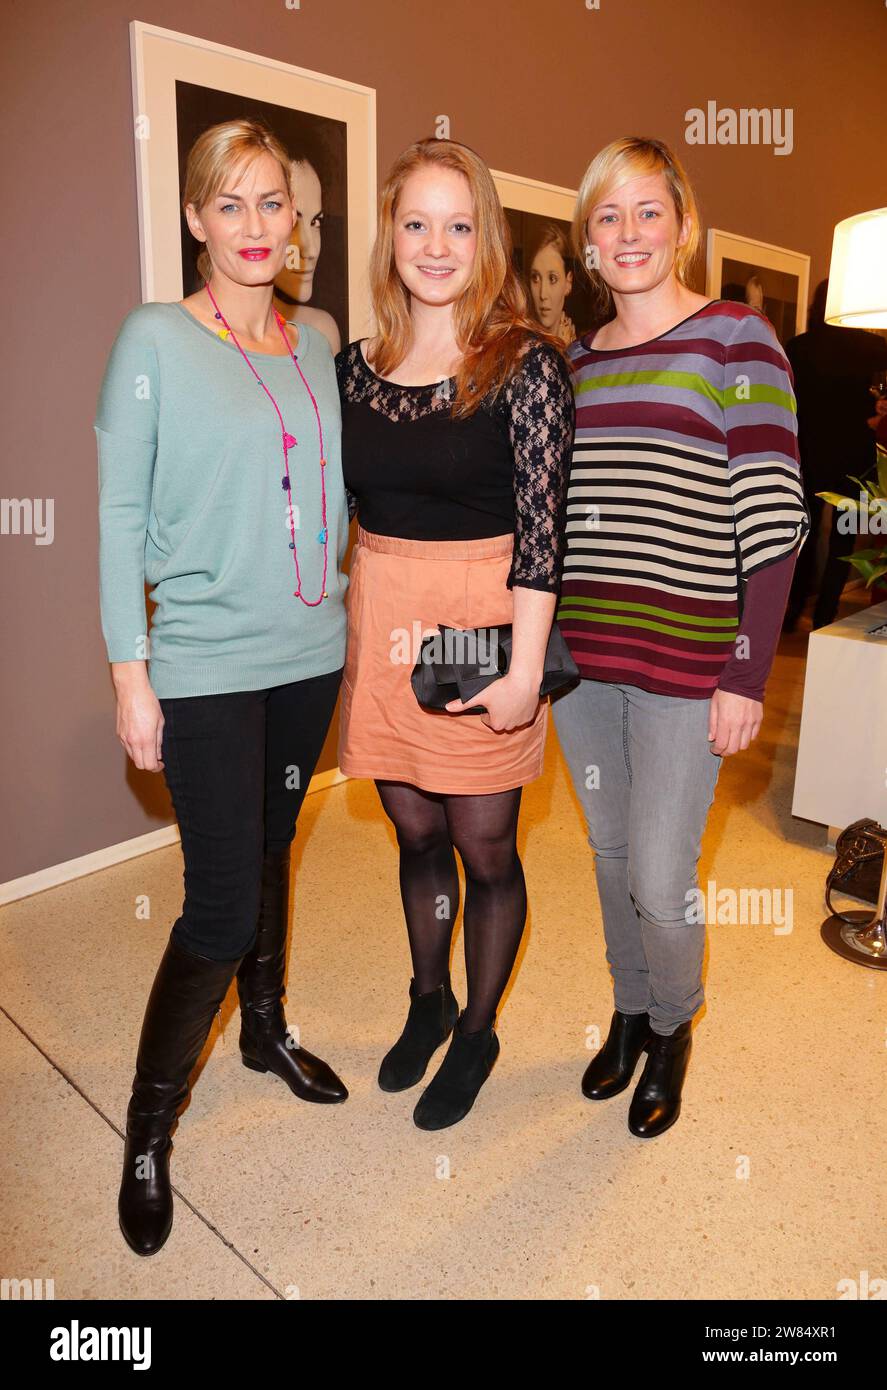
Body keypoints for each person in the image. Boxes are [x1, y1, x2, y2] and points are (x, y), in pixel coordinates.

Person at [95, 118, 351, 1257]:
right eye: (230, 204)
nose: (255, 226)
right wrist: (129, 676)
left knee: (271, 848)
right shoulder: (153, 339)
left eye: (273, 204)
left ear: (297, 222)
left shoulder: (321, 339)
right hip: (199, 663)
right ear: (196, 219)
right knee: (218, 905)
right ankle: (148, 1130)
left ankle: (264, 1030)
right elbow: (111, 517)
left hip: (309, 655)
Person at [551, 136, 809, 1138]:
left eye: (645, 211)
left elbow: (773, 515)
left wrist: (745, 672)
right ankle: (624, 1010)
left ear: (681, 224)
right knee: (609, 852)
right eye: (606, 216)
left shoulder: (735, 339)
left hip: (685, 666)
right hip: (585, 668)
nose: (626, 234)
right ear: (586, 241)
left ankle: (670, 1026)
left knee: (660, 874)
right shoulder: (571, 362)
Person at [335, 137, 574, 1130]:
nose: (435, 245)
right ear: (389, 235)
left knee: (483, 844)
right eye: (415, 223)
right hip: (384, 616)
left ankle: (477, 1027)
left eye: (458, 224)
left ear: (487, 239)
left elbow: (542, 531)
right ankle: (425, 996)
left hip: (483, 626)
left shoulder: (523, 366)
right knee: (414, 826)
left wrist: (523, 671)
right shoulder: (353, 368)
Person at [783, 278, 887, 629]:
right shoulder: (878, 349)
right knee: (845, 537)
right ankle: (826, 613)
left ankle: (793, 609)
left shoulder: (798, 347)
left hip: (806, 454)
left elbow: (786, 403)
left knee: (802, 536)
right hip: (858, 458)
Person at [528, 224, 576, 344]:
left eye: (552, 279)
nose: (543, 294)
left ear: (568, 283)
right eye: (535, 278)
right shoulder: (518, 346)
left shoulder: (581, 347)